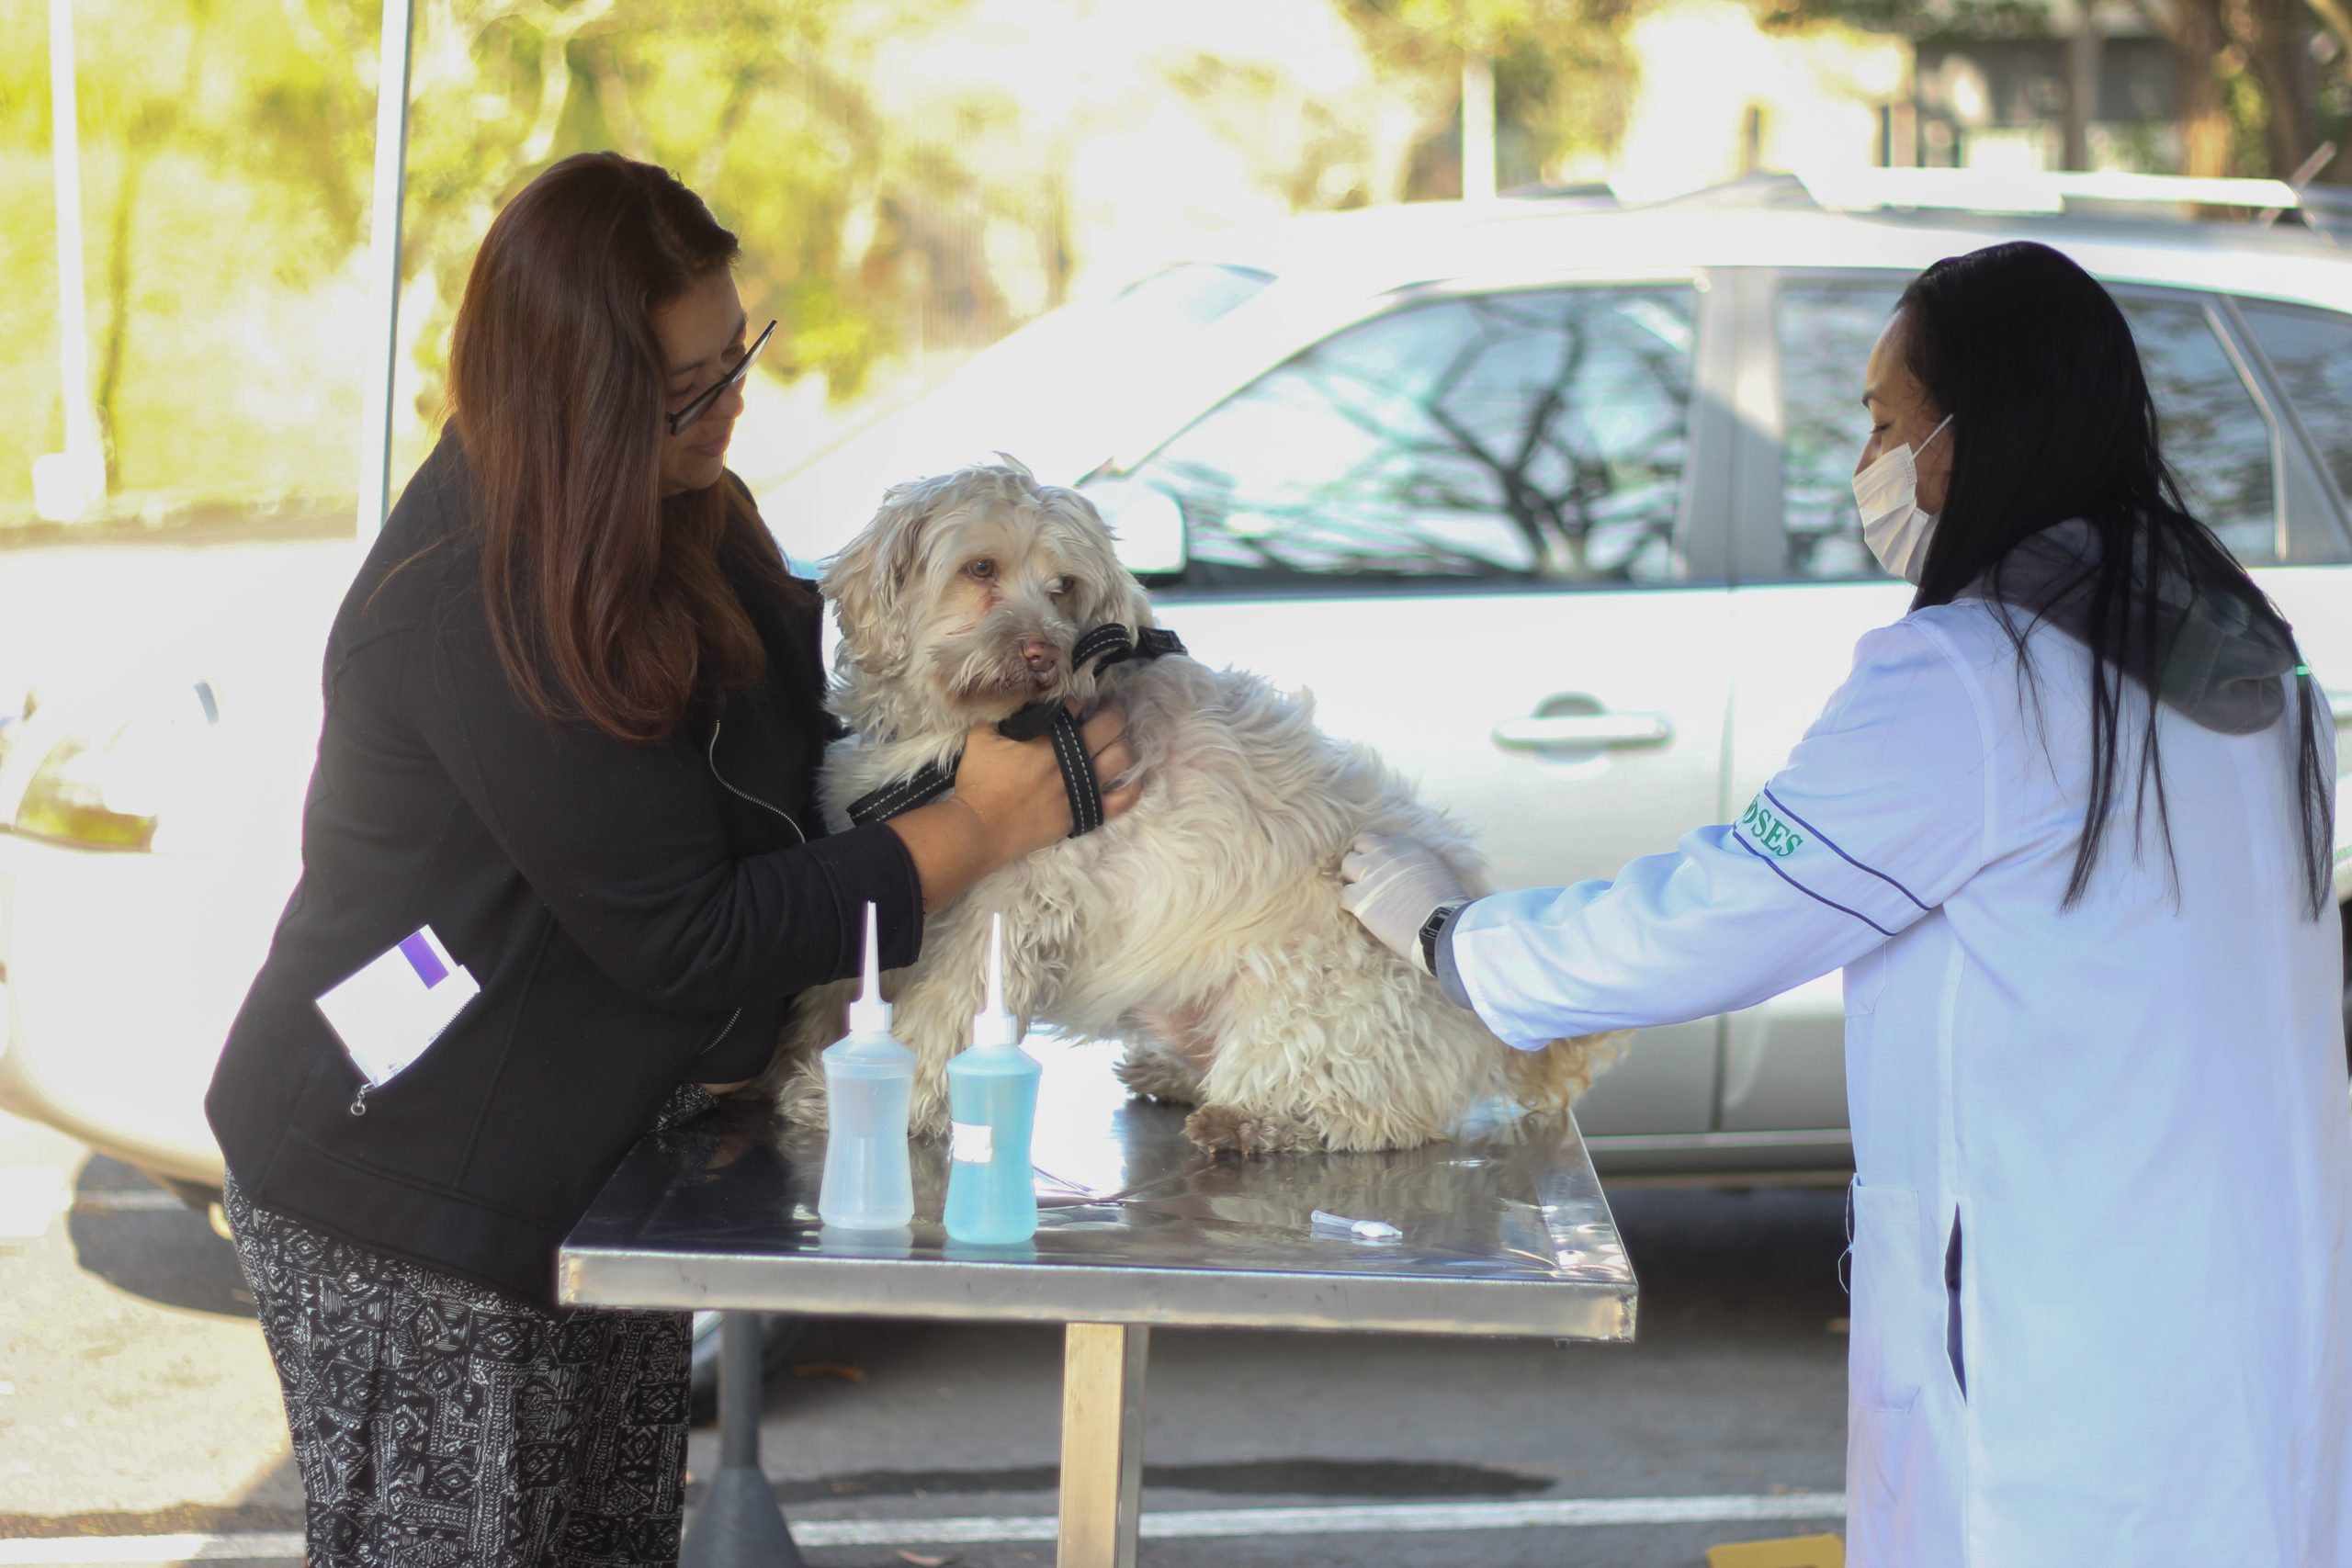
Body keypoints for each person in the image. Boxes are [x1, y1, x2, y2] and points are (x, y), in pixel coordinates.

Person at [1341, 240, 2351, 1566]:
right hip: (2251, 1315)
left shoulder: (1974, 678)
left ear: (1975, 429)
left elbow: (1730, 908)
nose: (1869, 462)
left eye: (1885, 421)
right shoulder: (2248, 657)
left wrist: (1450, 938)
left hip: (2055, 1358)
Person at [205, 152, 1133, 1568]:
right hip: (408, 1185)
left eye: (736, 353)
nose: (731, 405)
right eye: (687, 388)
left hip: (605, 1173)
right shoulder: (468, 606)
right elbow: (686, 932)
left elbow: (807, 772)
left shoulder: (695, 512)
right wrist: (990, 822)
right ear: (574, 399)